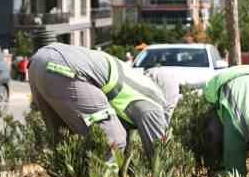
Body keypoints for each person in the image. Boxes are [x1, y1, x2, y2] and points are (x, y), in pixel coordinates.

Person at [26, 42, 171, 150]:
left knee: (64, 141)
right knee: (113, 141)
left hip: (38, 61)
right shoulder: (155, 103)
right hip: (64, 68)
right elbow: (158, 154)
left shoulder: (137, 79)